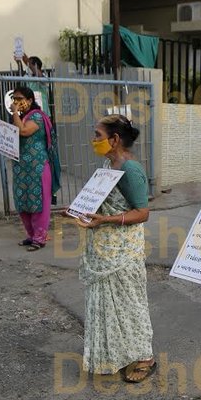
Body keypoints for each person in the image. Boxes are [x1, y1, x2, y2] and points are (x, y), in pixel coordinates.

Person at [74, 114, 154, 383]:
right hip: (104, 248)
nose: (93, 140)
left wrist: (105, 219)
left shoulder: (130, 170)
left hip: (123, 251)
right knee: (108, 305)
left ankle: (145, 357)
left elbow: (142, 212)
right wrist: (76, 211)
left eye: (97, 135)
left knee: (129, 303)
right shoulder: (109, 166)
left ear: (115, 139)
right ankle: (115, 353)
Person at [10, 86, 59, 250]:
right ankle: (31, 236)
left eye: (19, 99)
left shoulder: (37, 116)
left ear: (30, 100)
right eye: (14, 99)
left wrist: (15, 113)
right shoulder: (23, 117)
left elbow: (23, 131)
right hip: (21, 168)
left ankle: (40, 237)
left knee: (38, 203)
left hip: (37, 168)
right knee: (23, 201)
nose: (16, 102)